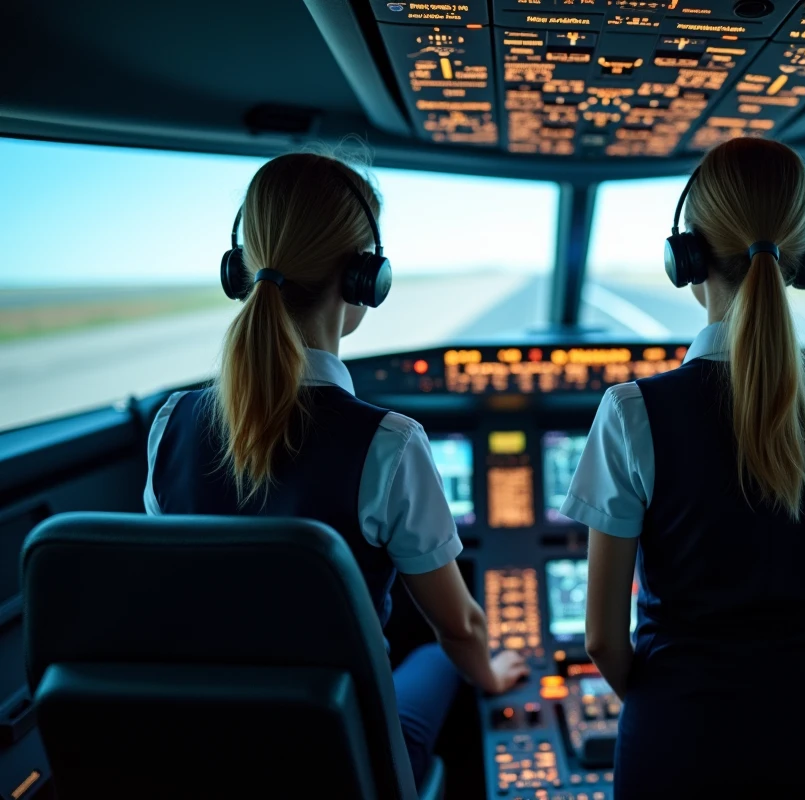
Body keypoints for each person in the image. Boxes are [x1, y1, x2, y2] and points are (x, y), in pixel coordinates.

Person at [142, 152, 527, 786]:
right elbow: (459, 625)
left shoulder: (169, 426)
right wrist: (491, 672)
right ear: (363, 279)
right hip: (341, 759)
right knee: (438, 656)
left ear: (240, 270)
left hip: (204, 750)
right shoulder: (388, 444)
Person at [559, 138, 805, 797]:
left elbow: (604, 639)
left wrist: (674, 701)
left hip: (676, 738)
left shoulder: (634, 411)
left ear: (685, 255)